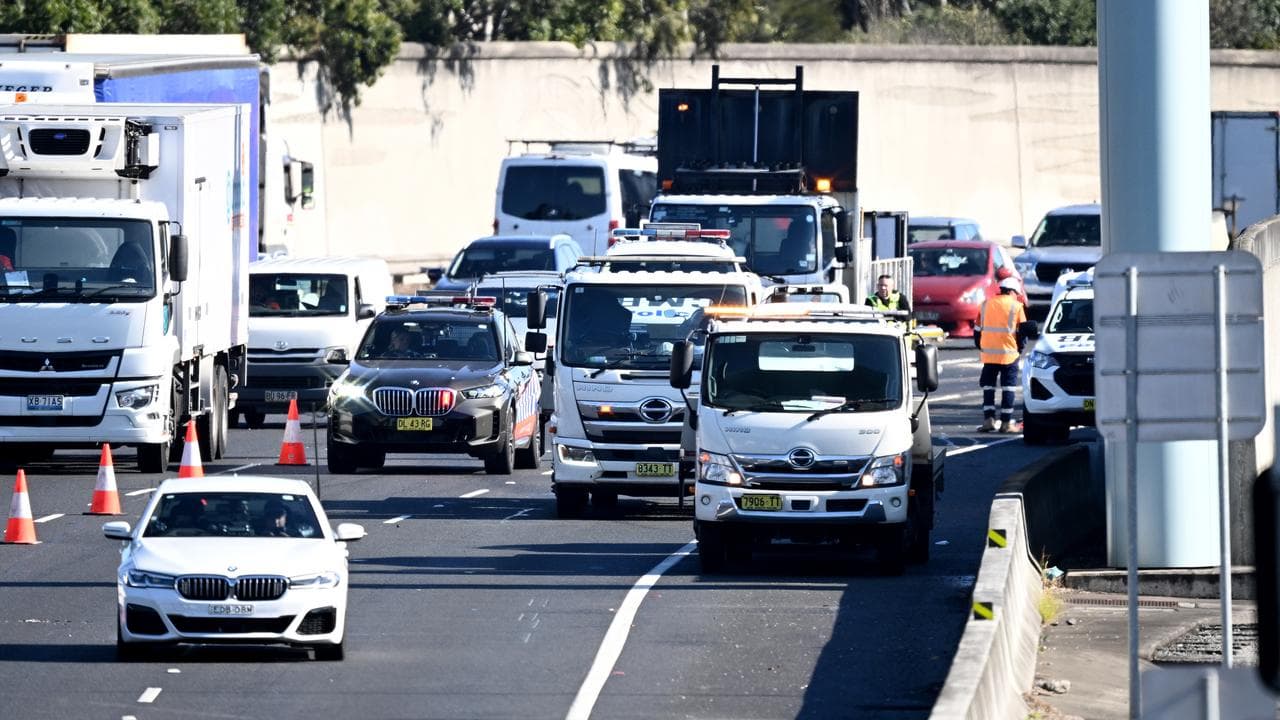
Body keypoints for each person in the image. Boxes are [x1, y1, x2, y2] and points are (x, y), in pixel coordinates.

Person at [974, 276, 1029, 433]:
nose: (1017, 296)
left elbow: (977, 331)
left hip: (989, 355)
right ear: (1012, 291)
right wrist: (1020, 349)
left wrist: (982, 347)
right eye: (1016, 293)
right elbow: (1022, 333)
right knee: (1008, 388)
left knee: (988, 387)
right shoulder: (1017, 307)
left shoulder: (985, 305)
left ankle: (988, 421)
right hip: (1009, 355)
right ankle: (1005, 423)